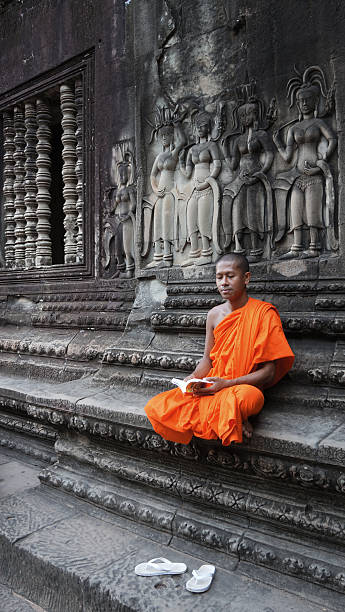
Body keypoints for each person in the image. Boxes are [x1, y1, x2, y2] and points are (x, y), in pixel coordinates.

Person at [144, 253, 294, 445]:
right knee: (157, 406)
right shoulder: (214, 315)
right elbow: (208, 360)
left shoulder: (264, 313)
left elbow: (268, 372)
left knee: (252, 398)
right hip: (213, 386)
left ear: (246, 278)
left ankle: (233, 415)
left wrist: (227, 384)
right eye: (219, 277)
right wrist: (192, 379)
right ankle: (233, 418)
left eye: (230, 276)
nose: (224, 282)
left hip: (240, 387)